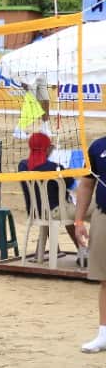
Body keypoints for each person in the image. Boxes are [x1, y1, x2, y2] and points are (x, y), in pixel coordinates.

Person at [17, 132, 84, 257]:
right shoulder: (55, 167)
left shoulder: (22, 166)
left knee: (52, 208)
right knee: (75, 211)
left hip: (34, 211)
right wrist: (66, 172)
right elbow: (74, 186)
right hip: (55, 212)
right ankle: (83, 249)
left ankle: (49, 250)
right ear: (47, 148)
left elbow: (39, 168)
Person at [74, 136, 106, 353]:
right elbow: (86, 184)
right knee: (105, 279)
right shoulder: (98, 147)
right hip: (103, 215)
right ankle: (103, 335)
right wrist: (78, 221)